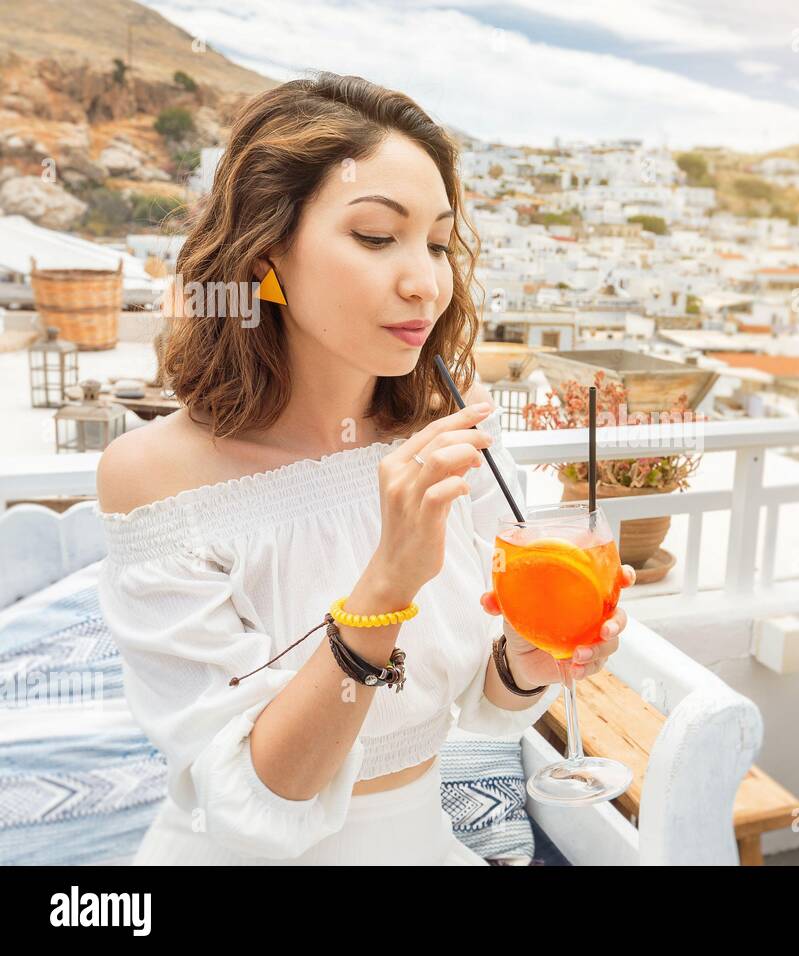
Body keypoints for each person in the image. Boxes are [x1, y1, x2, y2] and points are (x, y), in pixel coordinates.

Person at [94, 71, 634, 865]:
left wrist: (524, 663)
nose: (425, 280)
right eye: (377, 237)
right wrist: (385, 587)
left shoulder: (452, 432)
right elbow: (259, 801)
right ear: (266, 253)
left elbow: (479, 708)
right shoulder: (154, 477)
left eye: (439, 242)